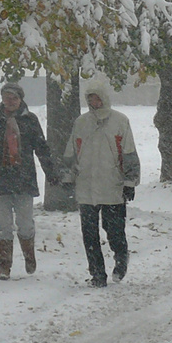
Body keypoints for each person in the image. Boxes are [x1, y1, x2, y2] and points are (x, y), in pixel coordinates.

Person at [60, 85, 140, 287]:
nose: (94, 103)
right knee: (89, 234)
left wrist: (130, 182)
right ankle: (97, 274)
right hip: (86, 187)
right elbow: (72, 152)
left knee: (114, 230)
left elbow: (129, 152)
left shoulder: (120, 121)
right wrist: (68, 177)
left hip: (112, 185)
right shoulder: (81, 123)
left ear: (104, 99)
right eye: (90, 99)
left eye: (97, 99)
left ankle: (121, 259)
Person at [0, 81, 56, 280]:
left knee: (25, 223)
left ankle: (29, 256)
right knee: (3, 224)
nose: (10, 102)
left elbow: (41, 147)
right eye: (6, 98)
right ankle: (4, 266)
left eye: (14, 98)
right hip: (2, 178)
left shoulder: (30, 120)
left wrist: (51, 171)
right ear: (2, 100)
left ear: (21, 100)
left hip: (24, 178)